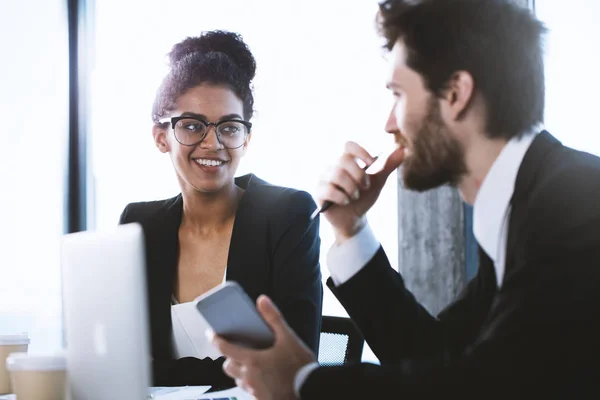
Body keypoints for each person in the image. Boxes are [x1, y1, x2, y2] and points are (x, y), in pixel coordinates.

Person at [209, 0, 600, 398]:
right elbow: (440, 356)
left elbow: (490, 386)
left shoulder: (575, 204)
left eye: (398, 94)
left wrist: (304, 384)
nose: (389, 123)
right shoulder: (524, 206)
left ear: (455, 93)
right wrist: (351, 229)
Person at [119, 30, 323, 389]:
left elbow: (292, 362)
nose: (212, 144)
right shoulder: (139, 225)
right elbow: (123, 362)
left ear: (246, 137)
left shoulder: (287, 215)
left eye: (229, 127)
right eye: (193, 126)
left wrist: (159, 369)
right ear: (160, 137)